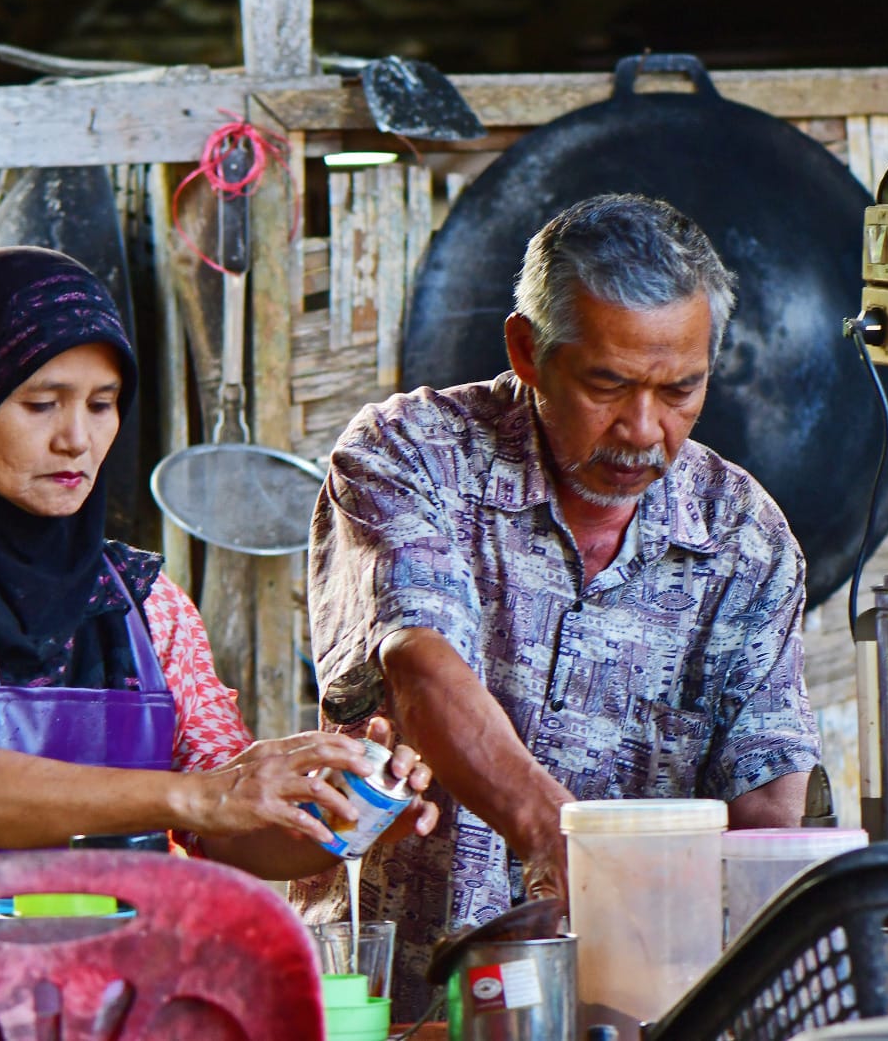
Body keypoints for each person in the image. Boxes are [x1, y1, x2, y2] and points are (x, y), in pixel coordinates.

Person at [293, 194, 821, 1017]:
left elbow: (763, 803)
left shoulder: (742, 537)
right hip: (395, 1010)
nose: (644, 430)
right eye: (607, 385)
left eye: (680, 389)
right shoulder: (411, 456)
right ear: (527, 350)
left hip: (628, 1011)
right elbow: (422, 669)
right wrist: (562, 842)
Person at [0, 245, 437, 876]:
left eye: (101, 405)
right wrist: (198, 797)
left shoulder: (144, 606)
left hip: (133, 966)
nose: (76, 438)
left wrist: (351, 808)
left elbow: (233, 828)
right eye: (42, 403)